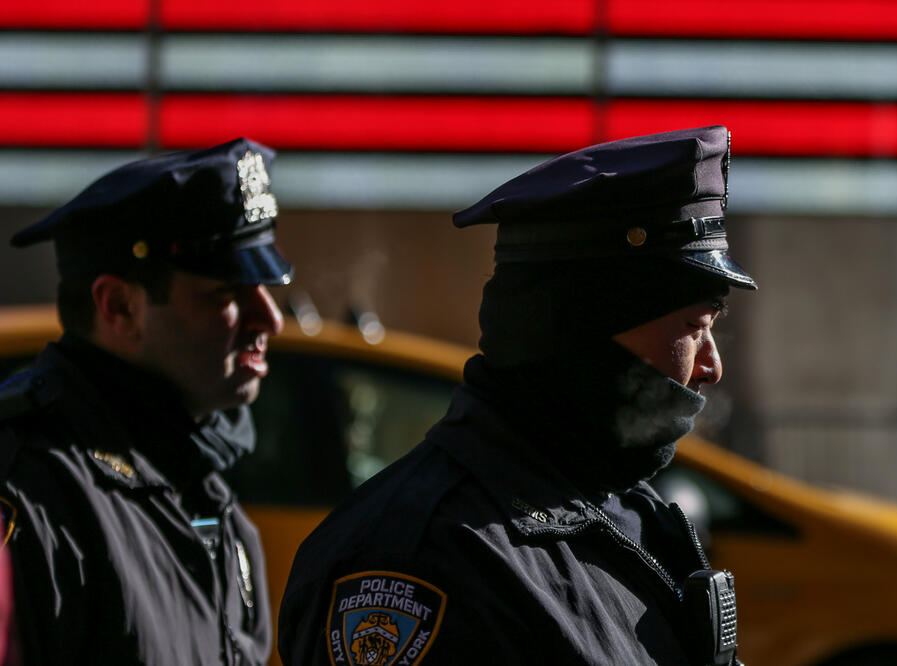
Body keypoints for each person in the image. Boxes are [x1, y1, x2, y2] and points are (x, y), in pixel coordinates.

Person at [278, 126, 754, 665]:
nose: (711, 367)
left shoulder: (623, 512)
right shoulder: (419, 557)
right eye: (693, 327)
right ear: (583, 333)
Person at [0, 138, 293, 665]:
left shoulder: (205, 491)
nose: (269, 320)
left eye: (267, 288)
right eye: (226, 295)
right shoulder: (28, 490)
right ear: (119, 307)